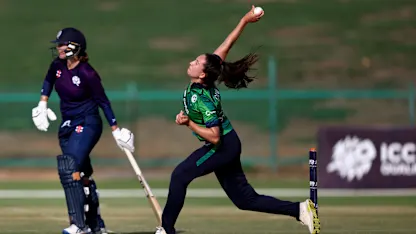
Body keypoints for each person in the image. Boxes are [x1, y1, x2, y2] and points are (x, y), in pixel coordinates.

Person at [156, 6, 320, 234]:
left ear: (202, 74)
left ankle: (166, 230)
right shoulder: (208, 75)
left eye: (196, 62)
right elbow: (225, 47)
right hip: (230, 143)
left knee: (180, 175)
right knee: (245, 200)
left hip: (222, 146)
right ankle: (301, 210)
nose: (192, 62)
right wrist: (244, 20)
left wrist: (189, 124)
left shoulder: (203, 98)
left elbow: (214, 137)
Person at [31, 27, 135, 234]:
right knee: (82, 174)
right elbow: (48, 81)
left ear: (74, 47)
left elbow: (103, 102)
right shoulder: (57, 66)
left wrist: (115, 130)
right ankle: (96, 224)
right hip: (67, 124)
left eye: (62, 44)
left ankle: (78, 225)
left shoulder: (88, 73)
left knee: (69, 168)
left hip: (87, 123)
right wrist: (42, 103)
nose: (58, 48)